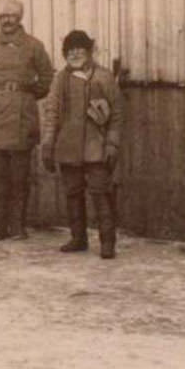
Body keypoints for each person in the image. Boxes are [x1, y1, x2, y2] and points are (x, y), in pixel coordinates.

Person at [0, 0, 55, 241]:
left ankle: (18, 226)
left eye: (11, 16)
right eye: (2, 17)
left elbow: (47, 79)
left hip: (21, 117)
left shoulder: (34, 46)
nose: (7, 21)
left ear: (20, 18)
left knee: (19, 175)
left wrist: (26, 95)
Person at [41, 30, 122, 259]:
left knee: (101, 193)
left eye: (80, 49)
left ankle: (108, 242)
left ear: (89, 51)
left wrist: (112, 145)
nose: (75, 54)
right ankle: (78, 238)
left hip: (97, 149)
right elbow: (52, 113)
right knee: (73, 194)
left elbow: (116, 115)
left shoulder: (103, 77)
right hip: (68, 149)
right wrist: (48, 145)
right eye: (70, 50)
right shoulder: (60, 80)